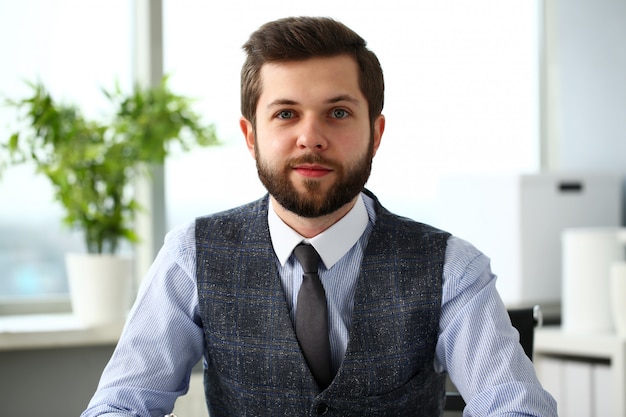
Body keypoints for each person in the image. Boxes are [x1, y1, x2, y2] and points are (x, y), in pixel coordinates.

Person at [82, 16, 557, 417]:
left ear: (376, 132)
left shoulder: (452, 266)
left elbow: (516, 407)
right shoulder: (190, 256)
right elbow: (121, 405)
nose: (310, 138)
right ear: (251, 136)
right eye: (286, 114)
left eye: (338, 113)